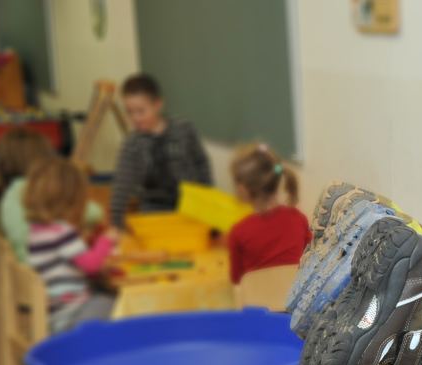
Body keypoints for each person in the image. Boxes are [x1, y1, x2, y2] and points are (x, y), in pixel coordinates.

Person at [24, 158, 119, 332]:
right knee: (115, 302)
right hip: (70, 314)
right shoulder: (62, 232)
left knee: (103, 297)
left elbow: (70, 264)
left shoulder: (36, 230)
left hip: (53, 312)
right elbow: (92, 266)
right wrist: (106, 240)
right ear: (73, 200)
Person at [110, 73, 212, 227]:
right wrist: (116, 224)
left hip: (190, 207)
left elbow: (201, 164)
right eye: (129, 112)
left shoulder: (184, 129)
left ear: (158, 104)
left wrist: (207, 200)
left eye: (141, 111)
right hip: (153, 210)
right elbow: (121, 186)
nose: (135, 118)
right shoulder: (132, 144)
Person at [0, 128, 105, 261]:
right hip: (49, 269)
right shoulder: (37, 188)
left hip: (26, 270)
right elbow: (94, 212)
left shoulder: (10, 193)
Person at [227, 143, 310, 284]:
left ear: (242, 189)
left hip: (256, 303)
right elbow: (309, 256)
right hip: (293, 301)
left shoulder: (239, 232)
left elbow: (236, 280)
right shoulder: (298, 218)